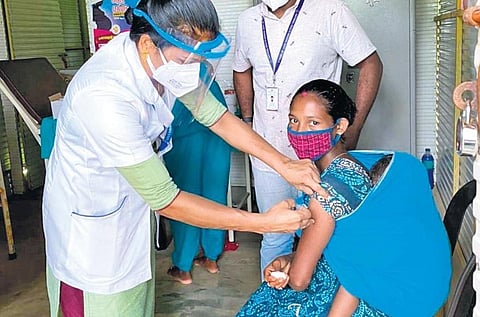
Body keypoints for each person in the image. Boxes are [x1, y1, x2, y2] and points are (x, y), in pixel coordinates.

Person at [41, 1, 321, 316]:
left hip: (127, 212)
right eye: (187, 58)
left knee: (135, 305)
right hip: (89, 234)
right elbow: (165, 198)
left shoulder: (165, 58)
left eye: (198, 59)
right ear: (147, 44)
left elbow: (216, 116)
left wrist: (284, 164)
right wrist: (261, 223)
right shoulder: (104, 96)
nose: (192, 66)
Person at [236, 79, 451, 316]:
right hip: (420, 283)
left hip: (386, 300)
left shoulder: (325, 193)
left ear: (340, 126)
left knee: (267, 301)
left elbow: (299, 281)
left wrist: (292, 265)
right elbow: (354, 241)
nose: (299, 132)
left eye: (313, 123)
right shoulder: (364, 163)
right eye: (294, 120)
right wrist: (290, 257)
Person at [232, 0, 383, 276]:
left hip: (319, 156)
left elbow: (371, 63)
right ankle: (274, 301)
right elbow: (241, 70)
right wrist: (249, 124)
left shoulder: (329, 12)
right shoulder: (247, 21)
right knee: (275, 235)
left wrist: (352, 130)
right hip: (269, 154)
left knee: (325, 236)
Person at [163, 80, 231, 285]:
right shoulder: (207, 76)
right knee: (215, 197)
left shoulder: (172, 76)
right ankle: (211, 258)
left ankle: (183, 268)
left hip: (184, 143)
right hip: (217, 139)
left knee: (185, 201)